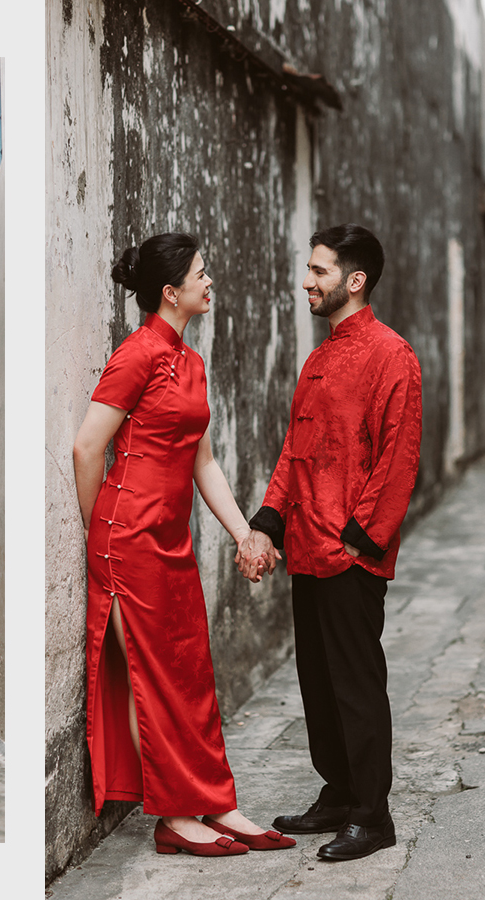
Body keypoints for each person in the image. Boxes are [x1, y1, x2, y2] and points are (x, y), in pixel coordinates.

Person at [73, 232, 296, 858]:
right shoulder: (136, 354)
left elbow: (203, 464)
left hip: (169, 540)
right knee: (158, 678)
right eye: (200, 272)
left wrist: (244, 531)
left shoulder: (191, 365)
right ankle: (174, 816)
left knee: (192, 671)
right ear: (170, 293)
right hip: (128, 539)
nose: (209, 278)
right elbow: (88, 447)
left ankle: (218, 802)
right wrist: (104, 530)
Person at [243, 224, 421, 862]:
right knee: (317, 682)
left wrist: (358, 540)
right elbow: (296, 450)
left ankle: (373, 816)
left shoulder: (391, 355)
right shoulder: (319, 359)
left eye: (318, 271)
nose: (306, 281)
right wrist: (268, 520)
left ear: (355, 280)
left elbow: (397, 460)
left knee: (355, 683)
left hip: (350, 554)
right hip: (307, 549)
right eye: (308, 269)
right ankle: (341, 791)